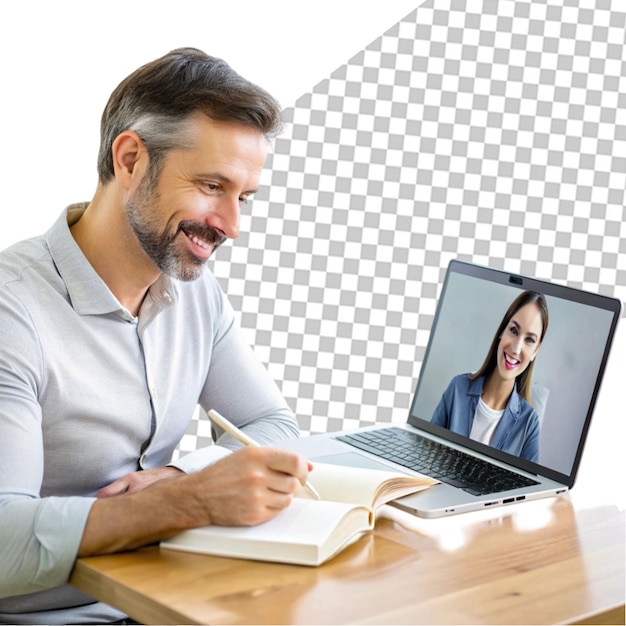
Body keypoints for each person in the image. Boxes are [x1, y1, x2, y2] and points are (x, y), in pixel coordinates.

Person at [0, 48, 312, 624]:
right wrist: (185, 502)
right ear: (130, 159)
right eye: (212, 185)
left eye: (242, 198)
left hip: (166, 602)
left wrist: (178, 477)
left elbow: (273, 429)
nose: (232, 226)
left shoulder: (195, 294)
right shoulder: (12, 310)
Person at [431, 291, 549, 463]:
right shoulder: (458, 388)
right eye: (514, 331)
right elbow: (427, 451)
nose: (516, 348)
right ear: (502, 331)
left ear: (535, 351)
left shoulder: (529, 422)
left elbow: (530, 488)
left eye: (529, 340)